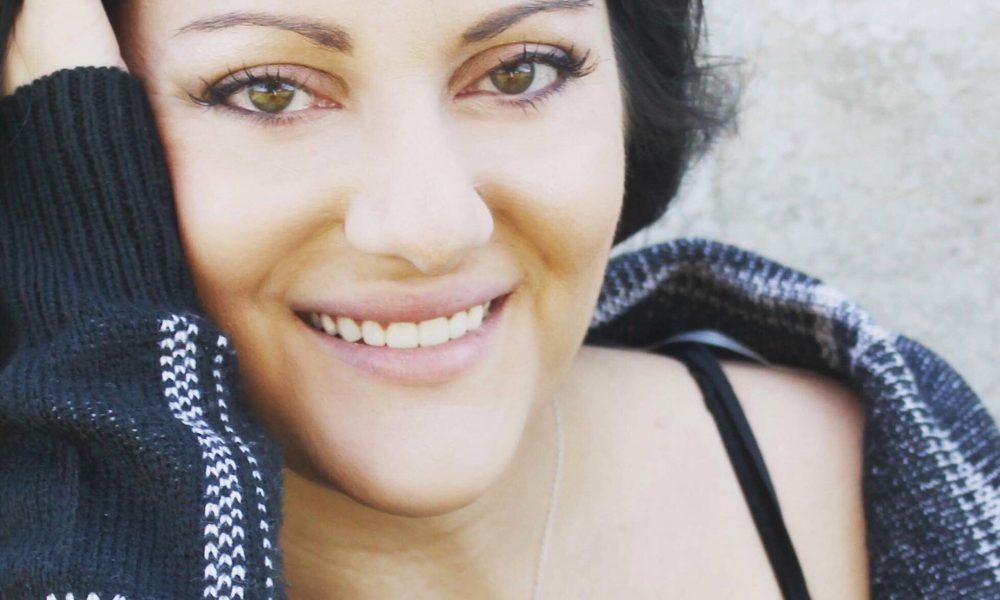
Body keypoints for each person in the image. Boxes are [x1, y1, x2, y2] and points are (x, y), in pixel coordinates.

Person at [0, 0, 996, 598]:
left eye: (520, 70)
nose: (433, 224)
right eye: (268, 93)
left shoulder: (889, 462)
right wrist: (99, 340)